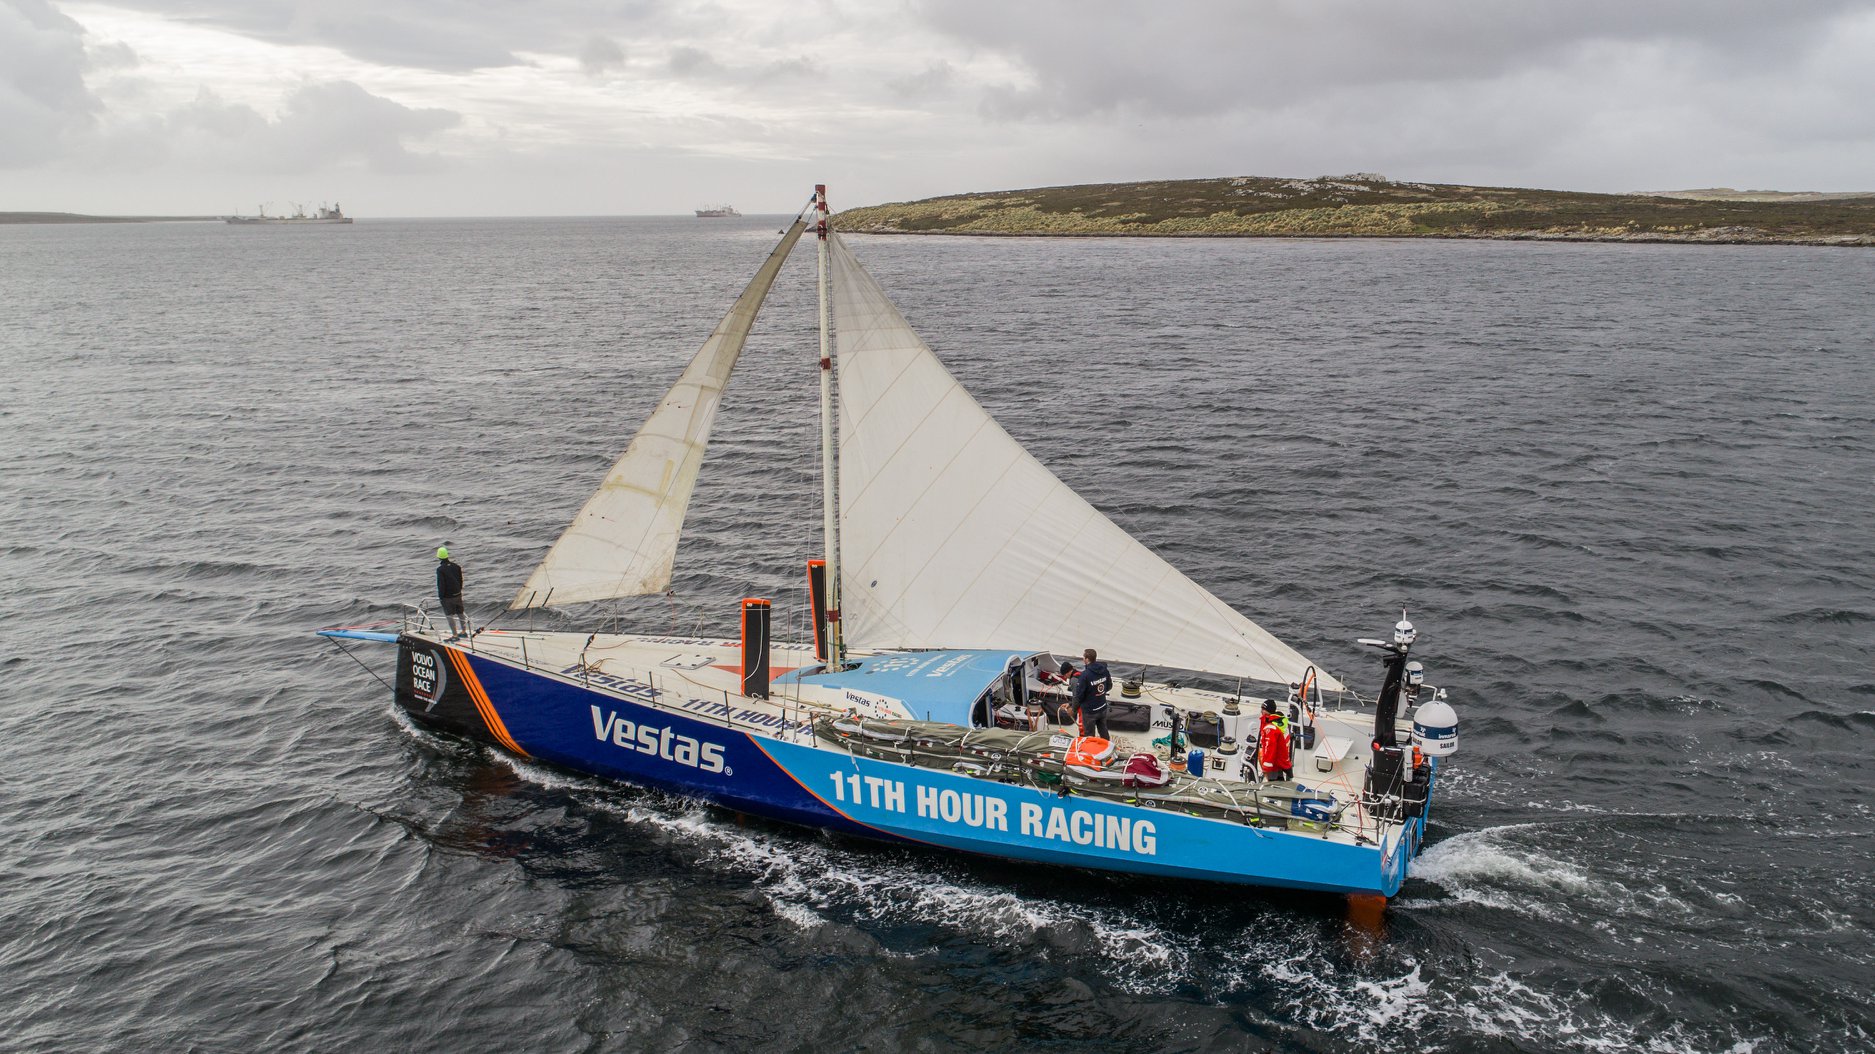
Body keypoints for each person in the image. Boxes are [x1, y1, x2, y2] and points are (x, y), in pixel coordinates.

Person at [1069, 648, 1112, 740]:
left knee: (1089, 736)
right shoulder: (1104, 670)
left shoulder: (1085, 675)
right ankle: (1108, 748)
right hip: (1102, 707)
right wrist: (1098, 694)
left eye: (1083, 657)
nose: (1082, 659)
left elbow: (1079, 696)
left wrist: (1073, 709)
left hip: (1090, 712)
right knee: (1103, 730)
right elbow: (1109, 686)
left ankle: (1090, 752)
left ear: (1087, 659)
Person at [436, 545, 469, 637]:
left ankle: (454, 635)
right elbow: (460, 580)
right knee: (460, 613)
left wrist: (441, 597)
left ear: (439, 557)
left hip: (448, 597)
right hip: (458, 594)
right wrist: (459, 590)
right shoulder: (456, 567)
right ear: (447, 555)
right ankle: (463, 631)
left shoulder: (440, 570)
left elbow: (441, 584)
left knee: (449, 615)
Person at [1258, 709, 1293, 783]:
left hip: (1273, 765)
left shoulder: (1271, 729)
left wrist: (1266, 766)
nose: (1261, 712)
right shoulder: (1283, 726)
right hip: (1282, 762)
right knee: (1280, 782)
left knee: (1274, 786)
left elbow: (1270, 748)